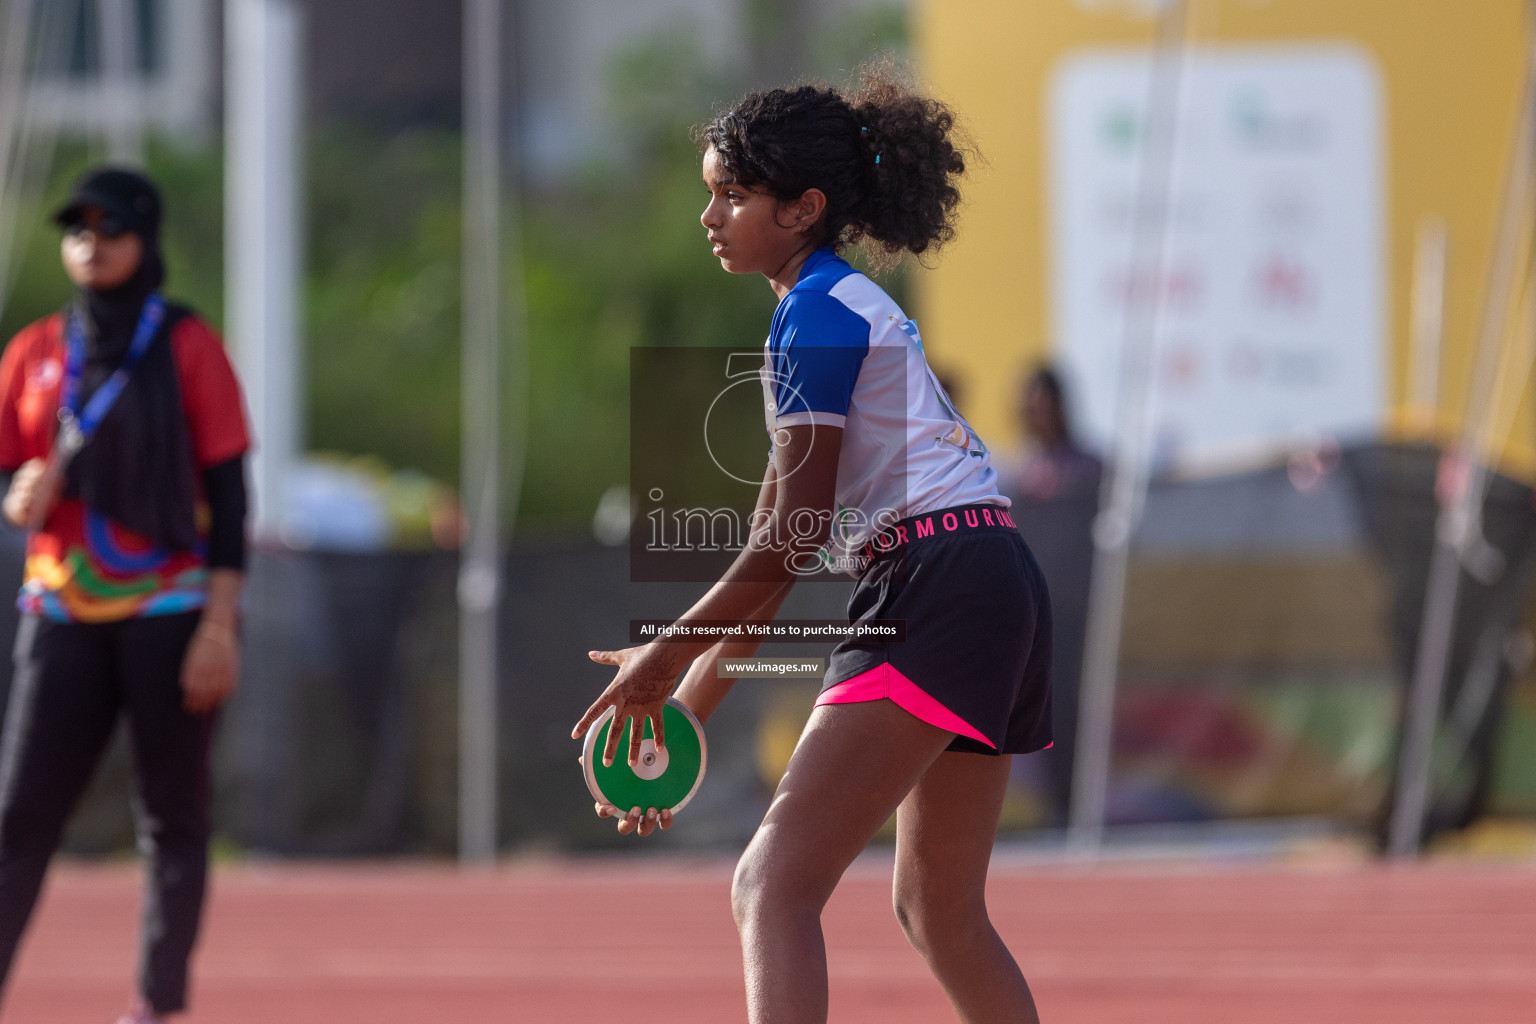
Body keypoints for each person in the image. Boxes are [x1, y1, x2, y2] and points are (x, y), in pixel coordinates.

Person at [572, 66, 1051, 1023]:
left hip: (937, 585)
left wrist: (664, 653)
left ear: (805, 209)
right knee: (937, 911)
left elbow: (786, 545)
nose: (710, 215)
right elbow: (771, 548)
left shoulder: (815, 317)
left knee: (770, 887)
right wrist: (684, 718)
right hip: (996, 577)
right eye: (710, 193)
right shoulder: (835, 305)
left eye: (733, 196)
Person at [0, 168, 250, 1023]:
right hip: (61, 611)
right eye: (76, 228)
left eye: (110, 228)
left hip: (170, 613)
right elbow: (10, 474)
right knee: (17, 818)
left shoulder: (187, 345)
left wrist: (220, 625)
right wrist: (15, 495)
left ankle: (154, 1006)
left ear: (145, 238)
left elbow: (231, 496)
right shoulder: (35, 351)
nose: (91, 242)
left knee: (172, 820)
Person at [1001, 366, 1102, 825]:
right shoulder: (1013, 474)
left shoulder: (1092, 468)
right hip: (1028, 616)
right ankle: (1054, 806)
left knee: (1074, 709)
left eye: (1046, 403)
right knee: (1033, 709)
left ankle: (1077, 807)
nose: (1038, 413)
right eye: (1031, 404)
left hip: (1079, 613)